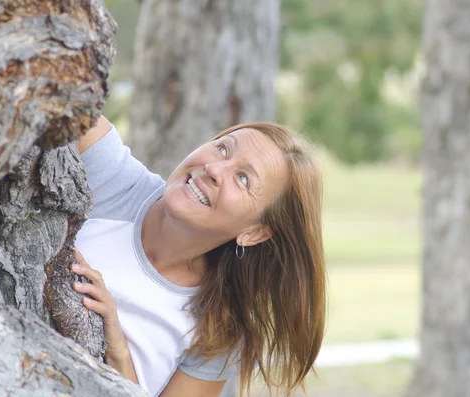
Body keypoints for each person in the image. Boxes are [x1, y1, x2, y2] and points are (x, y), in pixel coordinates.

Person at [71, 116, 326, 397]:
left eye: (243, 179)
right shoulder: (115, 178)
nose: (214, 169)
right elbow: (63, 90)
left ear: (254, 233)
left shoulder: (219, 331)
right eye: (222, 149)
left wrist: (117, 350)